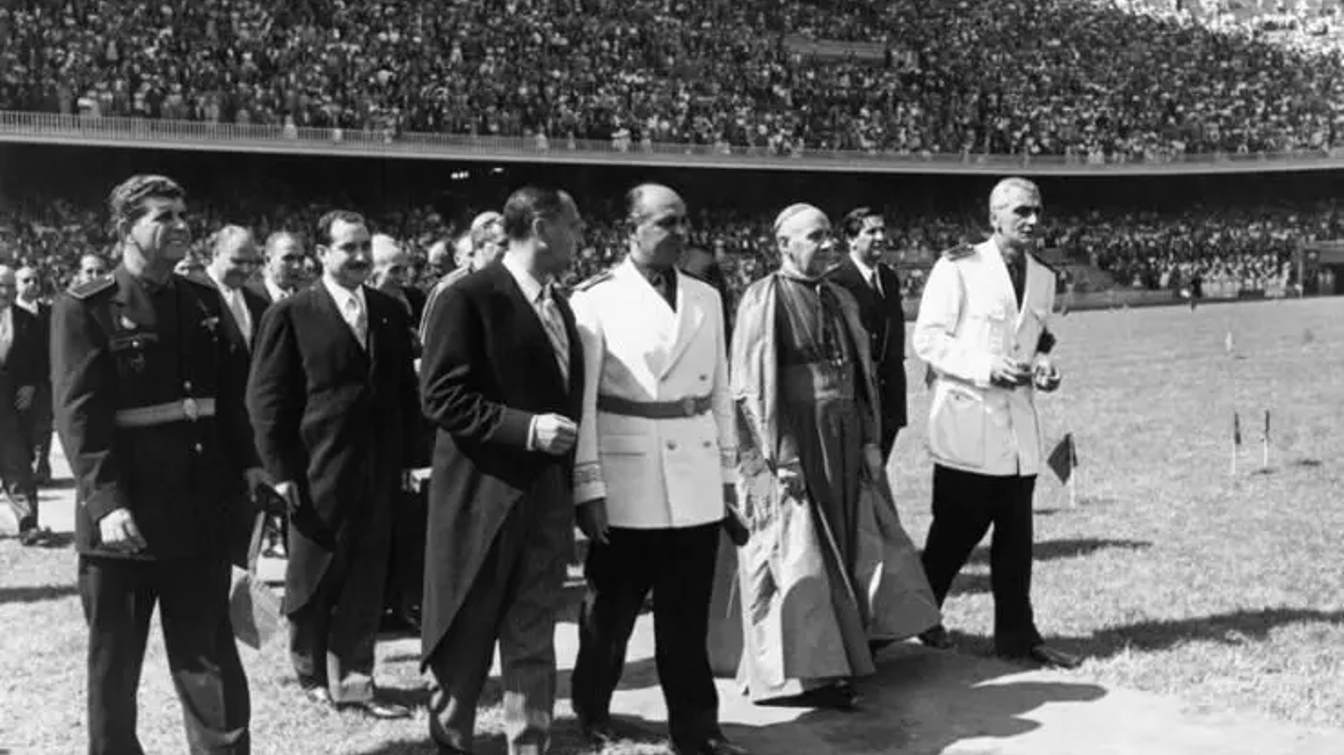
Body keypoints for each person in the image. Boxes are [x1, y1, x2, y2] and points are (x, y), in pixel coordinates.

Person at [51, 174, 263, 753]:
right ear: (125, 230)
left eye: (182, 214)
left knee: (210, 659)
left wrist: (249, 463)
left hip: (197, 516)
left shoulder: (200, 299)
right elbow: (79, 419)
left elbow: (231, 397)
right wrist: (106, 503)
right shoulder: (86, 308)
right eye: (162, 217)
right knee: (115, 669)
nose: (179, 226)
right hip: (125, 524)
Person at [717, 204, 938, 709]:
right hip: (797, 442)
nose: (827, 245)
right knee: (800, 551)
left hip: (843, 438)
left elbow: (860, 376)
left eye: (828, 236)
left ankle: (852, 648)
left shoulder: (838, 297)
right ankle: (808, 671)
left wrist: (867, 441)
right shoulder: (763, 299)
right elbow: (751, 387)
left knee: (851, 541)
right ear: (784, 245)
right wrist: (782, 454)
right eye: (814, 237)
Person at [568, 183, 746, 755]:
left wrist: (726, 477)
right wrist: (589, 485)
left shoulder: (706, 297)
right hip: (628, 479)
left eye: (684, 221)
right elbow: (586, 403)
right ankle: (592, 708)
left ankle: (697, 731)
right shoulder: (594, 299)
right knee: (610, 611)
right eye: (667, 222)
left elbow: (720, 393)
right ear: (633, 230)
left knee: (685, 618)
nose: (681, 232)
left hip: (693, 477)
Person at [419, 186, 584, 755]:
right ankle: (452, 744)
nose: (581, 237)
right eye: (573, 225)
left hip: (544, 498)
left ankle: (529, 744)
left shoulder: (559, 304)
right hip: (482, 501)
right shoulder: (469, 295)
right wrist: (528, 428)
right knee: (466, 635)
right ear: (540, 227)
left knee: (533, 635)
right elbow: (441, 396)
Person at [247, 209, 422, 718]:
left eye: (365, 246)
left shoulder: (389, 311)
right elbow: (266, 400)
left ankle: (353, 679)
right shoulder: (293, 313)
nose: (361, 257)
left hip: (378, 471)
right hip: (314, 471)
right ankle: (309, 673)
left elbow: (403, 396)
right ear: (322, 254)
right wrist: (278, 471)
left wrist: (412, 459)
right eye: (348, 248)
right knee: (314, 575)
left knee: (367, 579)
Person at [911, 177, 1080, 669]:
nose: (1032, 221)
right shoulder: (958, 266)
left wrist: (1043, 365)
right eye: (1022, 211)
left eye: (1038, 212)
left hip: (1019, 431)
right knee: (952, 539)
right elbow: (929, 340)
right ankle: (907, 623)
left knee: (1016, 544)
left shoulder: (1044, 275)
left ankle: (1017, 637)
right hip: (969, 423)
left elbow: (1040, 335)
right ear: (995, 217)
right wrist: (986, 367)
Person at [827, 207, 907, 459]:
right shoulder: (835, 282)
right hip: (859, 398)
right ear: (851, 239)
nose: (881, 237)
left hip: (890, 398)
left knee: (879, 474)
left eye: (882, 230)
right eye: (871, 231)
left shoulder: (889, 278)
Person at [0, 265, 46, 545]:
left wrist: (31, 384)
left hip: (11, 405)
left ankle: (28, 524)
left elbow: (41, 358)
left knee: (17, 465)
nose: (3, 292)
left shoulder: (28, 321)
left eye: (7, 286)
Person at [419, 210, 504, 343]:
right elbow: (429, 341)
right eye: (503, 244)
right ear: (480, 244)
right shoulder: (449, 288)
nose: (509, 250)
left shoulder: (510, 282)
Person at [14, 265, 53, 485]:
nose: (32, 285)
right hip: (15, 383)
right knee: (17, 428)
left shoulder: (49, 313)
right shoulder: (7, 314)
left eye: (36, 280)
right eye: (26, 280)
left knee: (43, 427)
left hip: (43, 381)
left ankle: (41, 471)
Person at [249, 230, 307, 304]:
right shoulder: (249, 297)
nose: (297, 266)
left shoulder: (306, 299)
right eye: (288, 258)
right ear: (268, 260)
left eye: (301, 259)